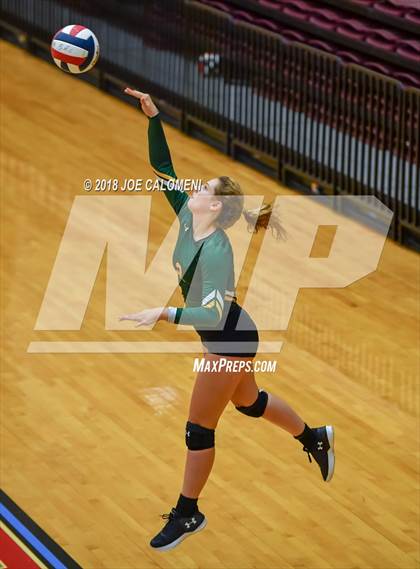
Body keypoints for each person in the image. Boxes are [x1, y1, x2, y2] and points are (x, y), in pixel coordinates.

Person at [121, 88, 335, 552]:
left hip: (228, 338)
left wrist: (164, 312)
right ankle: (313, 436)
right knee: (250, 403)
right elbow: (163, 169)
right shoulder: (186, 216)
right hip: (230, 333)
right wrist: (155, 119)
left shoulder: (217, 249)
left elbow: (212, 312)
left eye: (204, 189)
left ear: (215, 207)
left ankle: (188, 512)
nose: (194, 189)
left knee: (199, 428)